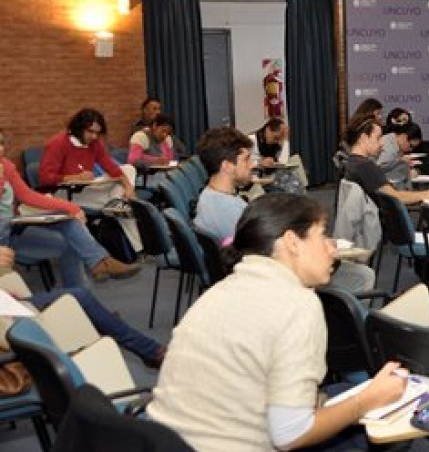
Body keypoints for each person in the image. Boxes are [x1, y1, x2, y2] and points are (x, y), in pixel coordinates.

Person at [149, 193, 429, 452]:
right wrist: (366, 402)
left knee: (344, 394)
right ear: (291, 243)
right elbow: (290, 434)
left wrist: (355, 399)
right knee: (369, 420)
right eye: (323, 236)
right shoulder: (296, 304)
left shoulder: (222, 292)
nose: (332, 248)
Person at [194, 127, 374, 294]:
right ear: (227, 166)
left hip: (251, 277)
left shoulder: (209, 198)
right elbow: (268, 254)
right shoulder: (228, 209)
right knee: (362, 275)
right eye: (246, 159)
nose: (252, 165)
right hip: (270, 283)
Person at [1, 132, 139, 285]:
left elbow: (27, 196)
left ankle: (97, 266)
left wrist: (71, 207)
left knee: (70, 227)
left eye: (1, 143)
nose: (0, 149)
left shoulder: (6, 165)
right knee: (72, 238)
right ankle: (96, 269)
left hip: (13, 230)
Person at [0, 241, 165, 368]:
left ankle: (141, 345)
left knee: (70, 236)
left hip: (7, 305)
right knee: (80, 298)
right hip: (6, 316)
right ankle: (147, 349)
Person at [342, 116, 429, 206]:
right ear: (363, 138)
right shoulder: (366, 166)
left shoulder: (353, 162)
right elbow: (395, 197)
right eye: (378, 138)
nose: (382, 143)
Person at [251, 118, 308, 194]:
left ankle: (298, 200)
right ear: (268, 130)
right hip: (257, 176)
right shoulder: (251, 140)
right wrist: (260, 163)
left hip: (271, 174)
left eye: (279, 139)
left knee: (293, 177)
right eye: (275, 138)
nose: (276, 141)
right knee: (289, 181)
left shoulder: (275, 144)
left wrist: (285, 139)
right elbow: (245, 164)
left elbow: (283, 162)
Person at [376, 121, 423, 189]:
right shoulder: (390, 149)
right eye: (411, 146)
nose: (410, 150)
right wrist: (400, 160)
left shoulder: (393, 141)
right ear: (404, 137)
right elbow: (377, 168)